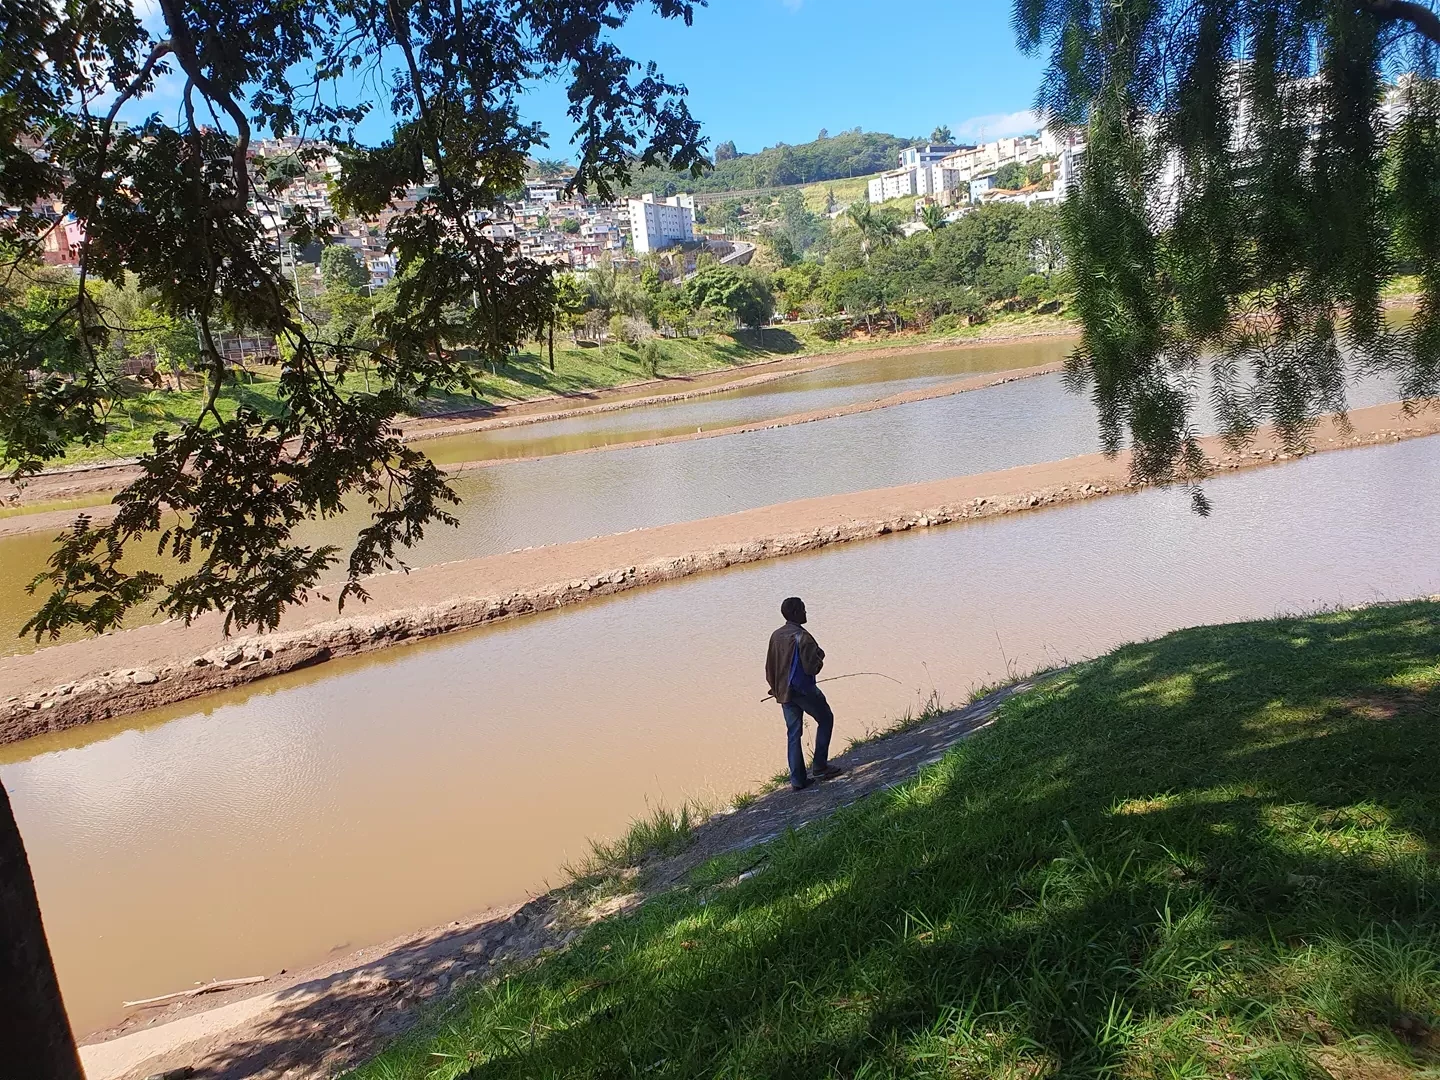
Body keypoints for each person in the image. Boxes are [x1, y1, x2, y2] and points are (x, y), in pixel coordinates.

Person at [764, 597, 840, 791]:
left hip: (784, 694)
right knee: (826, 719)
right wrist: (820, 659)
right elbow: (811, 668)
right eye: (804, 610)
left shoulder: (776, 635)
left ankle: (797, 780)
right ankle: (820, 766)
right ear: (796, 613)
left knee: (793, 733)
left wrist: (775, 688)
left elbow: (769, 668)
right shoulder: (802, 636)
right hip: (804, 690)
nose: (806, 613)